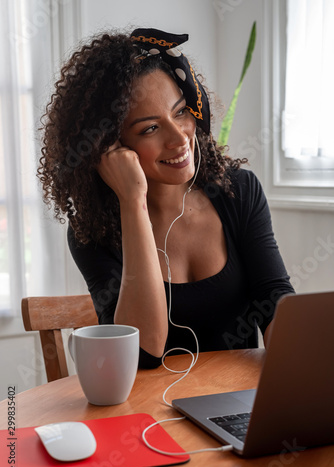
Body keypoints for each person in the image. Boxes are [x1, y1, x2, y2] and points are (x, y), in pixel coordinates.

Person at [38, 28, 294, 369]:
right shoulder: (93, 230)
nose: (179, 138)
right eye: (149, 129)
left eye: (180, 112)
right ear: (108, 147)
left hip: (236, 407)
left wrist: (299, 369)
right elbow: (143, 352)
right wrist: (133, 202)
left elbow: (274, 299)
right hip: (147, 416)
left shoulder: (239, 192)